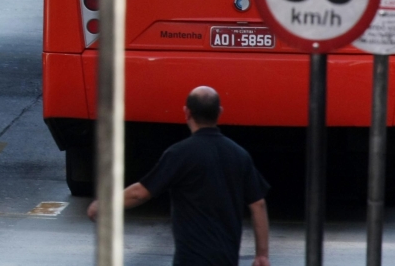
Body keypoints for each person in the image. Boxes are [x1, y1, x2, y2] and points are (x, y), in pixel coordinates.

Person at [87, 87, 271, 266]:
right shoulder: (239, 155)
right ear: (219, 112)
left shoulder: (179, 154)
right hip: (227, 258)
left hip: (191, 258)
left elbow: (140, 193)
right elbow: (258, 204)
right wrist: (262, 255)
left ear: (187, 112)